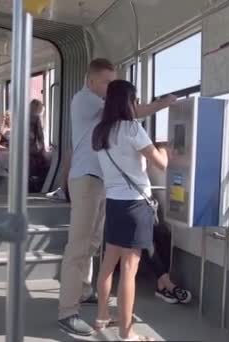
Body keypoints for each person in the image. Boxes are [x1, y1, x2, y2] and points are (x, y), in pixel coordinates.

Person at [57, 58, 176, 337]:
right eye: (106, 83)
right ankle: (67, 310)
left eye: (113, 83)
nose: (110, 88)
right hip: (87, 179)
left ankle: (85, 291)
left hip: (103, 184)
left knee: (94, 244)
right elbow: (130, 110)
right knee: (79, 245)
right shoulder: (85, 100)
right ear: (91, 82)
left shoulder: (105, 119)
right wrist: (164, 103)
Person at [93, 80, 169, 341]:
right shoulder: (133, 129)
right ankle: (127, 333)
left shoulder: (100, 131)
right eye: (134, 100)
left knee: (108, 264)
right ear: (128, 102)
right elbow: (160, 164)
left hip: (113, 203)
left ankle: (102, 316)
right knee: (129, 269)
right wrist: (164, 149)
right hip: (136, 205)